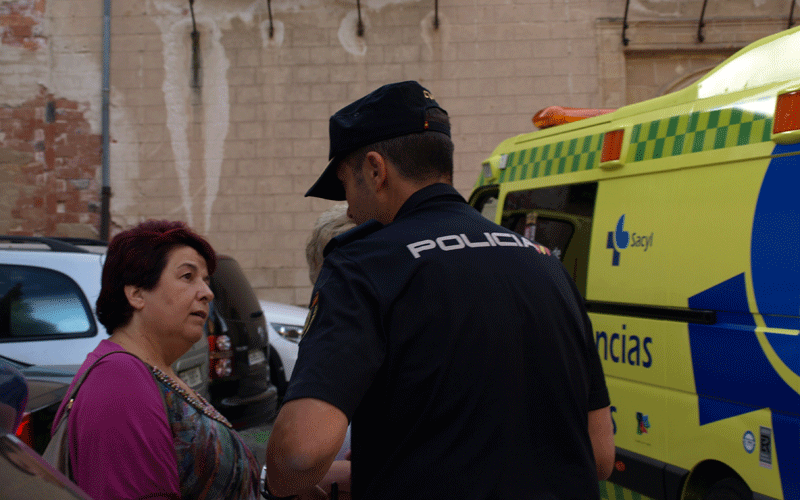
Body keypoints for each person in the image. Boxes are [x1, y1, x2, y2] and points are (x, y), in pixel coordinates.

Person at [265, 81, 614, 500]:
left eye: (346, 186)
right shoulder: (546, 263)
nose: (351, 211)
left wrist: (280, 483)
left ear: (376, 170)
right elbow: (599, 456)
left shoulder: (365, 265)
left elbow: (298, 454)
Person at [51, 220, 260, 500]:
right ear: (136, 294)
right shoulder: (119, 380)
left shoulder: (148, 371)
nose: (207, 293)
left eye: (206, 281)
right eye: (188, 276)